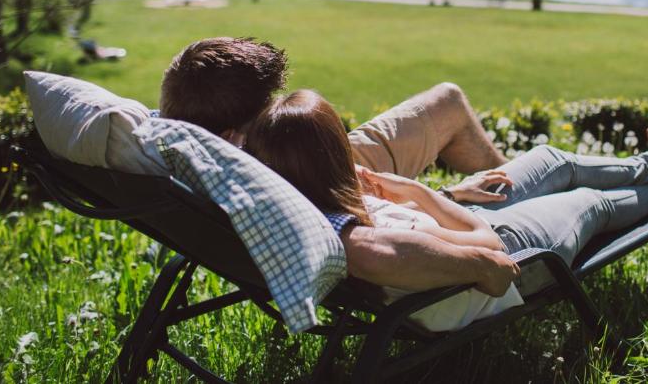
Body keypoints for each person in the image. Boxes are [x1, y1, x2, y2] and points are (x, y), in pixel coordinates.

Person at [245, 89, 648, 330]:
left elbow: (425, 234)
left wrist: (452, 194)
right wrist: (419, 193)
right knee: (591, 202)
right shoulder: (369, 245)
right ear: (333, 153)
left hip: (461, 221)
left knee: (552, 160)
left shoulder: (304, 201)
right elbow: (490, 251)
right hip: (517, 252)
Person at [159, 37, 520, 296]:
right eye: (269, 111)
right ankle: (518, 203)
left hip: (311, 171)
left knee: (448, 98)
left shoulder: (183, 158)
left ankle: (514, 192)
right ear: (231, 139)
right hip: (311, 168)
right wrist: (439, 199)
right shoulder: (286, 196)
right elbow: (368, 237)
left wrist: (443, 195)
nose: (280, 108)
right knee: (450, 102)